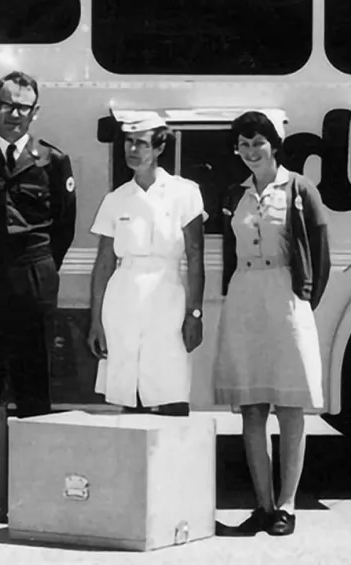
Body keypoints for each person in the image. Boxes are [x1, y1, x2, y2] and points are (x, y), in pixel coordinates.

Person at [213, 111, 331, 536]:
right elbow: (230, 249)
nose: (250, 152)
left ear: (273, 143)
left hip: (285, 294)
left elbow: (320, 251)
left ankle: (287, 505)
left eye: (257, 143)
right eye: (243, 145)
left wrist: (303, 301)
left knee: (290, 406)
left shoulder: (300, 188)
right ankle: (261, 505)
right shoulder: (234, 193)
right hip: (246, 293)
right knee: (252, 406)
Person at [0, 71, 76, 418]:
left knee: (33, 378)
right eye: (7, 105)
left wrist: (39, 266)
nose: (15, 114)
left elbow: (64, 226)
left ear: (35, 112)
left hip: (33, 278)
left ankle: (31, 467)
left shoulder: (53, 161)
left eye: (23, 107)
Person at [87, 110, 206, 416]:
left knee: (171, 389)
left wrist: (194, 313)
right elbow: (103, 263)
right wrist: (96, 320)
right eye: (128, 142)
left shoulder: (185, 193)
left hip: (167, 300)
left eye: (141, 143)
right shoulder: (116, 199)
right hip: (123, 299)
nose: (133, 150)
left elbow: (195, 257)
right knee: (129, 390)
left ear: (159, 148)